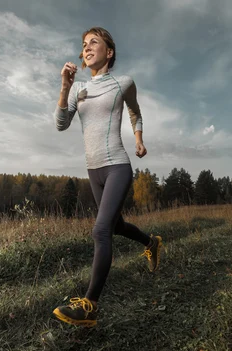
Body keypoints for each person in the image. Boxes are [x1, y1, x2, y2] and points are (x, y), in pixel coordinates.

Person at [52, 27, 163, 327]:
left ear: (109, 51)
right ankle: (151, 243)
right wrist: (65, 87)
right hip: (93, 169)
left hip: (117, 165)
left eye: (94, 43)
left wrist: (138, 139)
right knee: (116, 226)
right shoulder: (77, 88)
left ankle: (90, 305)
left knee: (100, 230)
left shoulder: (123, 82)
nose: (87, 49)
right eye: (83, 45)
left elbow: (135, 111)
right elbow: (61, 124)